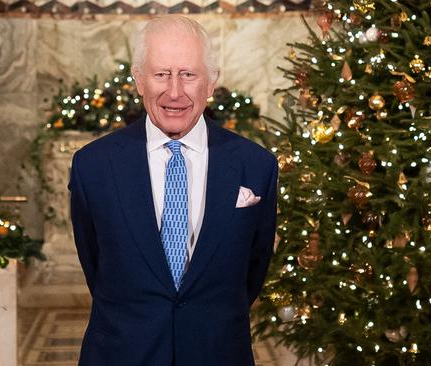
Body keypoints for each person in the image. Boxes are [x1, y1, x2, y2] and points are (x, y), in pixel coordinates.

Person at [69, 15, 278, 366]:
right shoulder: (93, 166)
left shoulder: (256, 166)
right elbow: (96, 265)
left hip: (218, 353)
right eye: (161, 74)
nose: (175, 92)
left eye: (189, 74)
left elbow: (253, 271)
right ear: (139, 80)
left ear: (211, 82)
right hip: (122, 354)